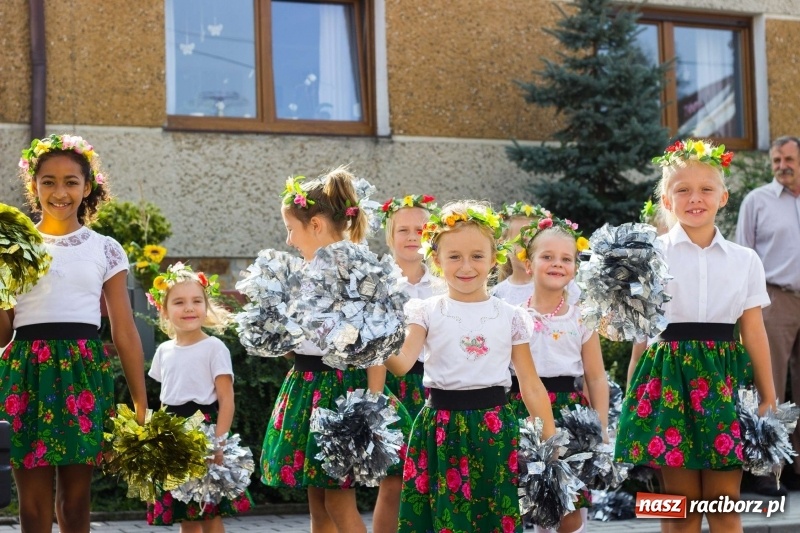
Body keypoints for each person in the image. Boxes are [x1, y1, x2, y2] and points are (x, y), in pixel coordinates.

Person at [616, 139, 776, 533]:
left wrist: (768, 395)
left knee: (724, 503)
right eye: (682, 190)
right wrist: (633, 395)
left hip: (724, 383)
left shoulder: (745, 260)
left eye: (706, 189)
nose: (695, 198)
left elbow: (754, 331)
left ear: (723, 197)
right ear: (666, 200)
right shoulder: (649, 256)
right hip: (668, 382)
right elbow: (641, 336)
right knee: (679, 505)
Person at [0, 134, 148, 532]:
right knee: (32, 508)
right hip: (25, 372)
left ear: (87, 187)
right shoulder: (12, 247)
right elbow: (2, 333)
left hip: (82, 374)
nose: (60, 192)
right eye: (48, 181)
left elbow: (124, 330)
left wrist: (140, 402)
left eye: (71, 181)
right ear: (34, 186)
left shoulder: (105, 248)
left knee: (76, 503)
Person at [385, 200, 557, 533]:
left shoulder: (510, 316)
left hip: (494, 430)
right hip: (440, 430)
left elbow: (531, 384)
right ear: (437, 260)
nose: (466, 266)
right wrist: (371, 341)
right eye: (454, 257)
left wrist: (549, 447)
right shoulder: (425, 311)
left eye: (477, 256)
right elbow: (402, 365)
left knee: (492, 519)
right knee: (444, 520)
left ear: (494, 259)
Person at [260, 167, 411, 533]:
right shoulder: (304, 272)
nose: (288, 239)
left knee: (337, 502)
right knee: (319, 505)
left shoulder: (353, 270)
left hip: (342, 393)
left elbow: (375, 345)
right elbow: (298, 342)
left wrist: (371, 405)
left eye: (291, 229)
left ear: (315, 225)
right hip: (307, 387)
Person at [145, 262, 253, 530]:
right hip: (173, 433)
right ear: (164, 310)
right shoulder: (163, 351)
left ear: (206, 306)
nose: (189, 308)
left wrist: (219, 442)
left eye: (196, 301)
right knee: (186, 510)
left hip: (203, 431)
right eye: (179, 302)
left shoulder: (214, 347)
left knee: (208, 507)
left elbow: (227, 400)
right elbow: (164, 399)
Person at [517, 220, 608, 533]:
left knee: (567, 508)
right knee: (528, 500)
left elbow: (596, 377)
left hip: (569, 417)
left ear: (575, 268)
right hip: (523, 412)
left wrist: (601, 427)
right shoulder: (513, 315)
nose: (557, 263)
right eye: (547, 256)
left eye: (566, 258)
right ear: (528, 264)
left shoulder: (581, 317)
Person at [736, 135, 800, 495]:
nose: (782, 166)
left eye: (788, 159)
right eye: (776, 160)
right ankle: (766, 471)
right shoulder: (757, 201)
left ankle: (797, 468)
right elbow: (742, 256)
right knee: (768, 384)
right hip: (774, 299)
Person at [375, 194, 443, 533]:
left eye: (421, 229)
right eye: (403, 230)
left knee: (436, 479)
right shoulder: (376, 282)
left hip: (436, 386)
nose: (413, 236)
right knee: (394, 479)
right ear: (390, 235)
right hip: (392, 385)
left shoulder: (444, 283)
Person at [493, 202, 581, 307]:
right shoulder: (498, 293)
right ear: (503, 243)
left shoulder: (564, 284)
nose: (530, 248)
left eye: (535, 240)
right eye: (522, 241)